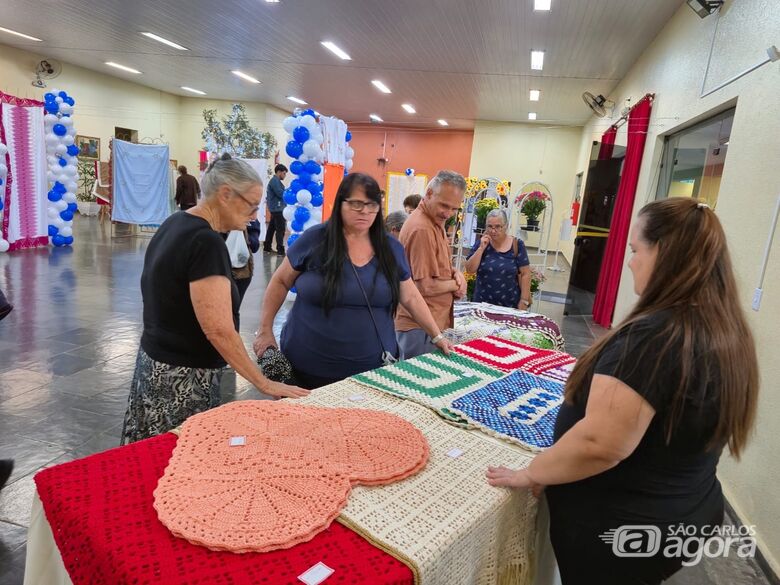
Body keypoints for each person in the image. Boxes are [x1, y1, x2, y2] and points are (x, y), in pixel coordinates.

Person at [486, 198, 759, 585]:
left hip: (623, 535)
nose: (630, 261)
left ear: (662, 252)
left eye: (635, 250)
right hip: (685, 512)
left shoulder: (654, 337)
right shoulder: (722, 326)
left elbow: (601, 442)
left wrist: (532, 472)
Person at [121, 155, 308, 444]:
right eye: (252, 206)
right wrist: (263, 382)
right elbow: (218, 329)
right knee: (176, 457)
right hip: (183, 377)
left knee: (148, 451)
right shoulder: (205, 242)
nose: (254, 215)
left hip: (154, 365)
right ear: (225, 194)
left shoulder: (175, 223)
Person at [253, 173, 451, 390]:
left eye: (372, 204)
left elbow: (411, 297)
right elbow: (280, 281)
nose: (365, 211)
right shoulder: (314, 239)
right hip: (304, 372)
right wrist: (265, 329)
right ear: (341, 203)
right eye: (356, 204)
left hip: (372, 374)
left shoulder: (390, 249)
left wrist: (436, 335)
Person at [395, 171, 467, 359]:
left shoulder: (435, 220)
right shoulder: (422, 229)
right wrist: (457, 284)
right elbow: (423, 287)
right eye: (444, 205)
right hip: (420, 327)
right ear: (428, 194)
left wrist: (455, 272)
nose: (448, 213)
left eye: (454, 209)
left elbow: (438, 264)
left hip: (429, 325)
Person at [465, 208, 532, 309]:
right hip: (481, 304)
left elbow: (525, 274)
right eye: (489, 226)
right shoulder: (481, 243)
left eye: (497, 226)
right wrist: (481, 248)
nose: (493, 230)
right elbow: (470, 270)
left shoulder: (517, 244)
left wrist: (524, 301)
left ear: (506, 226)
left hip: (509, 305)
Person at [264, 163, 289, 255]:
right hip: (278, 209)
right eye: (284, 173)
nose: (284, 176)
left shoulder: (276, 181)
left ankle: (267, 247)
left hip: (275, 209)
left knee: (271, 229)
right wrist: (288, 192)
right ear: (279, 172)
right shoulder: (275, 181)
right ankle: (280, 250)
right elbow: (280, 193)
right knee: (280, 230)